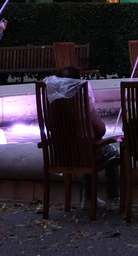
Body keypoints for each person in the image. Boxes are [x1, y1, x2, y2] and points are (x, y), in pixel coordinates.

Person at [42, 67, 118, 201]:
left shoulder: (52, 105)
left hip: (61, 155)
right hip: (85, 154)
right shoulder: (83, 104)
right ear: (77, 83)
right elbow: (100, 129)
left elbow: (48, 127)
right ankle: (112, 199)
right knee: (113, 153)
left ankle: (88, 199)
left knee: (87, 146)